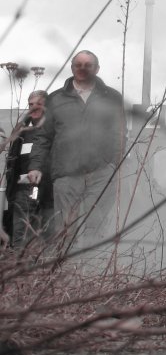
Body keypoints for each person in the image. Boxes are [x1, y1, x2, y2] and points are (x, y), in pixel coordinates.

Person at [28, 50, 125, 247]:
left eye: (88, 65)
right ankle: (65, 265)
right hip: (66, 175)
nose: (82, 69)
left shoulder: (112, 97)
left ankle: (93, 265)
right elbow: (43, 136)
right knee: (65, 230)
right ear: (72, 68)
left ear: (97, 69)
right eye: (78, 65)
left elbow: (119, 133)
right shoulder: (55, 99)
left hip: (101, 173)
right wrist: (35, 166)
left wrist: (114, 164)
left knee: (96, 227)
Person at [8, 90, 50, 250]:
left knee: (42, 231)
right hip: (22, 190)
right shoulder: (21, 129)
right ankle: (19, 262)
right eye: (31, 104)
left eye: (39, 104)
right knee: (20, 232)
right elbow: (13, 161)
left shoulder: (53, 129)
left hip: (46, 191)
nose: (34, 107)